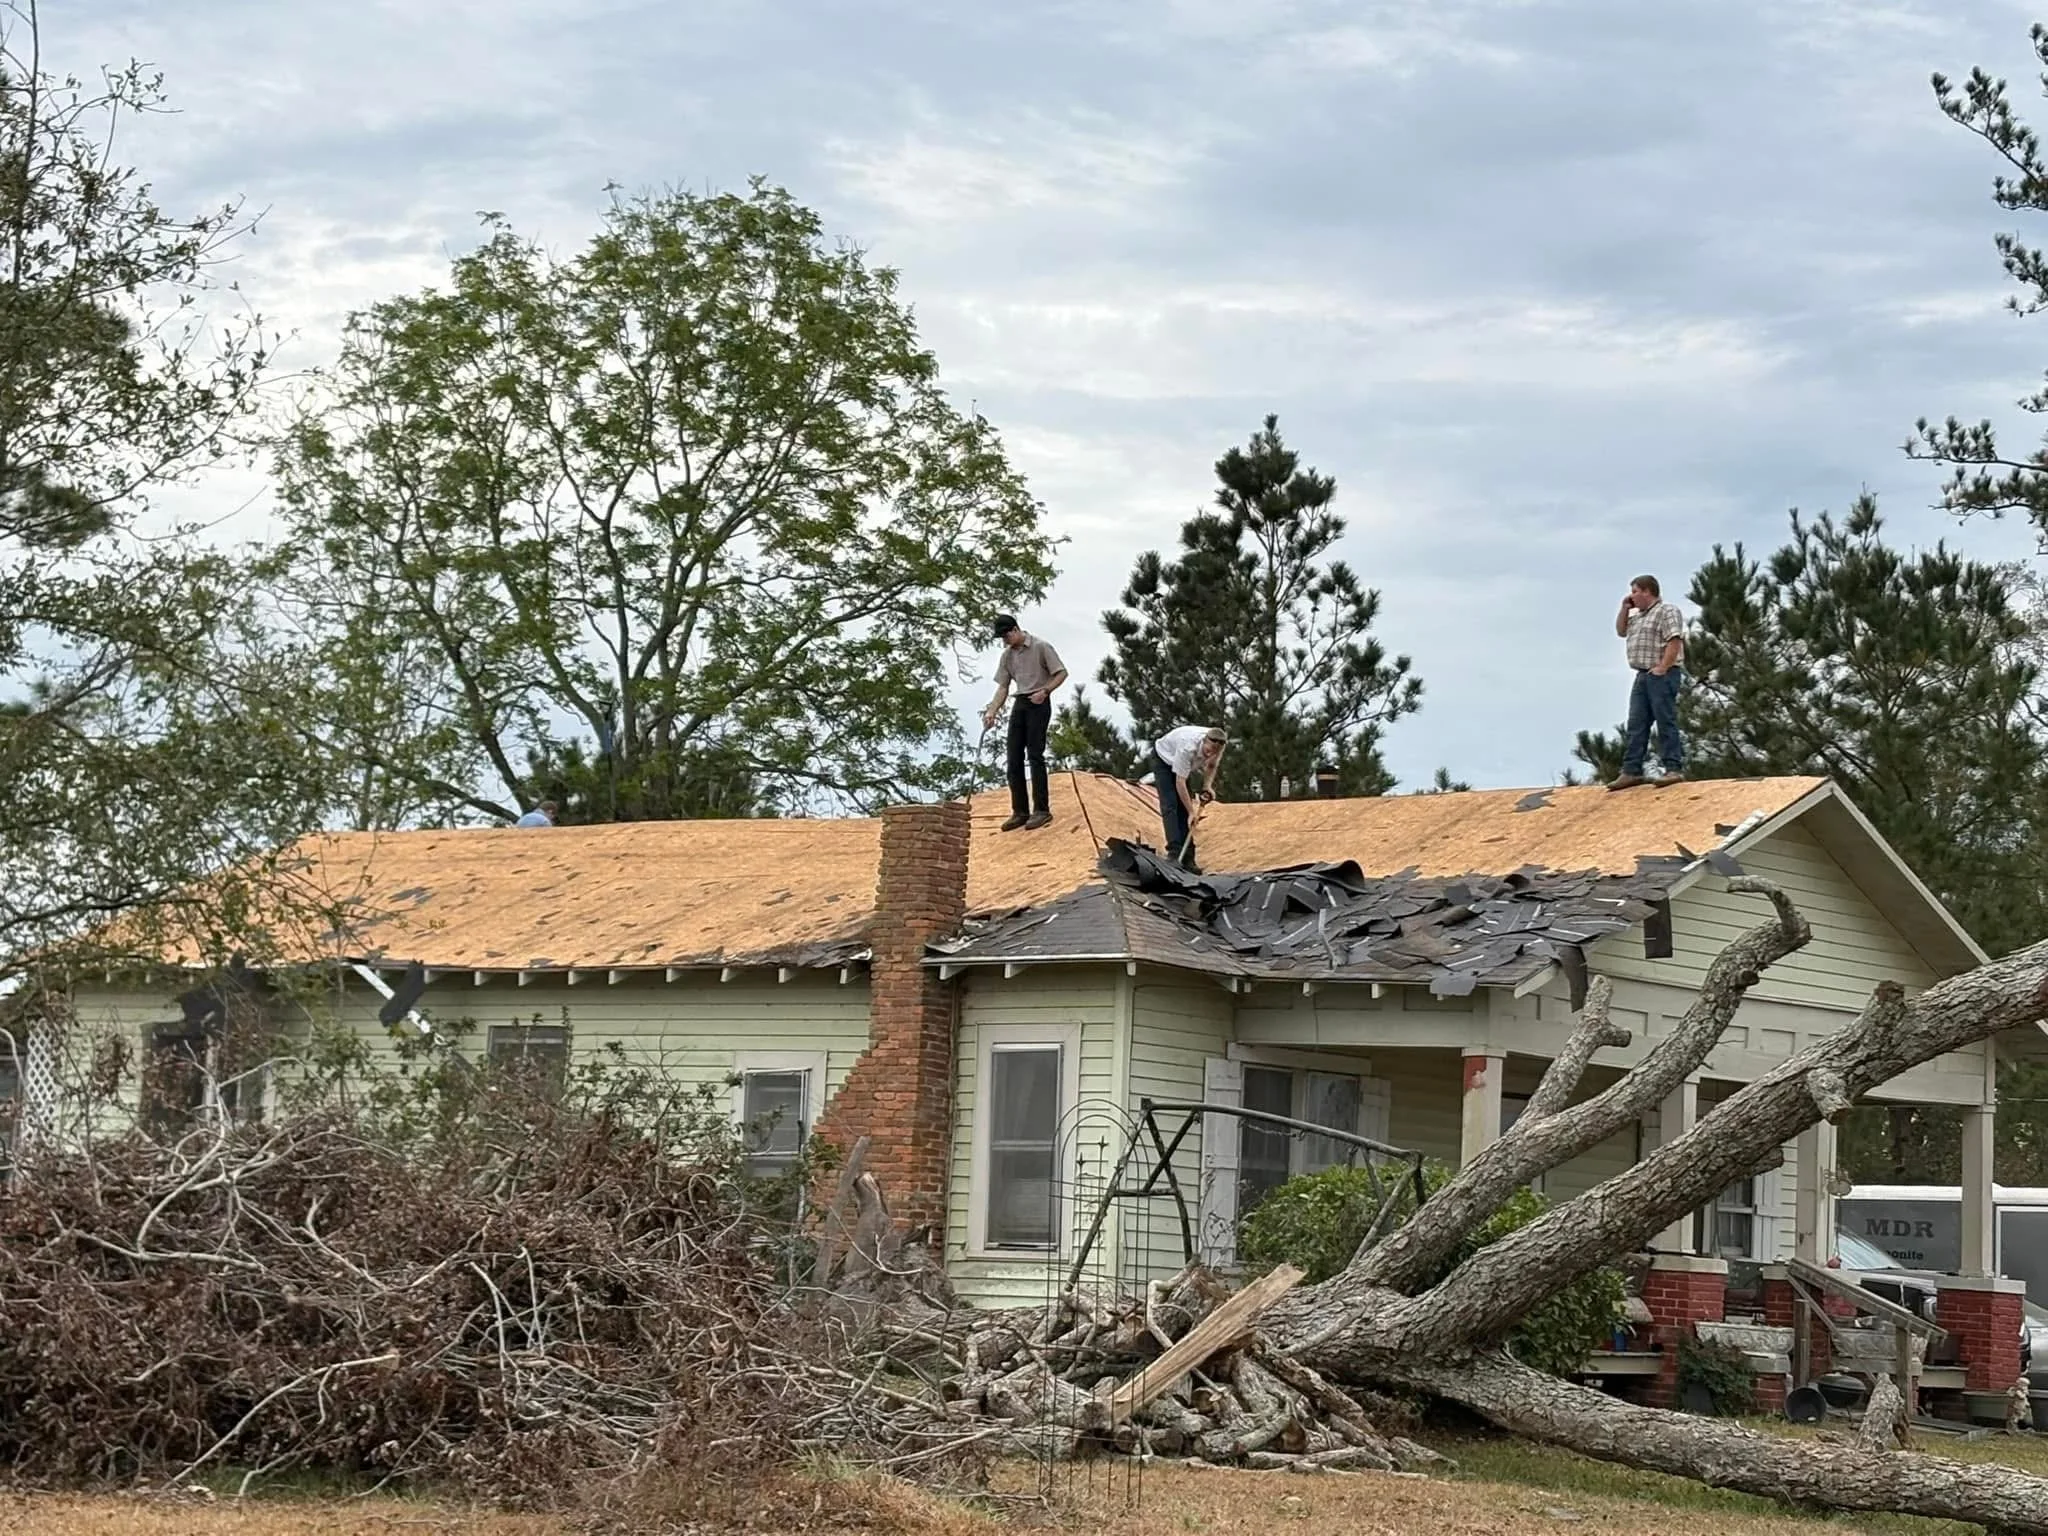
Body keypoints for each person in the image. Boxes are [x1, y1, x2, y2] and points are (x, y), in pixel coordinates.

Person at [982, 615, 1068, 831]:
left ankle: (1041, 810)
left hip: (1039, 701)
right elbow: (1003, 687)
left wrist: (1045, 691)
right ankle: (1020, 811)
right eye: (1001, 638)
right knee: (1013, 757)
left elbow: (1061, 673)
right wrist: (992, 711)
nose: (1004, 641)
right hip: (1020, 702)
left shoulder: (1040, 646)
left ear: (1015, 629)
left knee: (1035, 755)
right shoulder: (1007, 656)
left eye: (1006, 636)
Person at [1610, 574, 1686, 791]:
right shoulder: (1638, 617)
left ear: (1647, 591)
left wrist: (1663, 667)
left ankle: (1673, 768)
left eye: (1635, 591)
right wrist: (1625, 608)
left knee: (1665, 720)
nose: (1632, 596)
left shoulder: (1666, 611)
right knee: (1636, 723)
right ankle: (1631, 770)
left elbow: (1674, 640)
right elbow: (1621, 631)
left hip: (1662, 674)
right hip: (1642, 674)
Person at [1152, 725, 1226, 871]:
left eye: (1214, 752)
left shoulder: (1219, 744)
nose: (1209, 754)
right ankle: (1174, 853)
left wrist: (1207, 786)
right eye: (1208, 751)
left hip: (1182, 765)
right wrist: (1191, 812)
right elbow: (1180, 782)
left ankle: (1188, 858)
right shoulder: (1187, 747)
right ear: (1204, 741)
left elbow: (1211, 766)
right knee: (1171, 805)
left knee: (1183, 810)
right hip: (1164, 759)